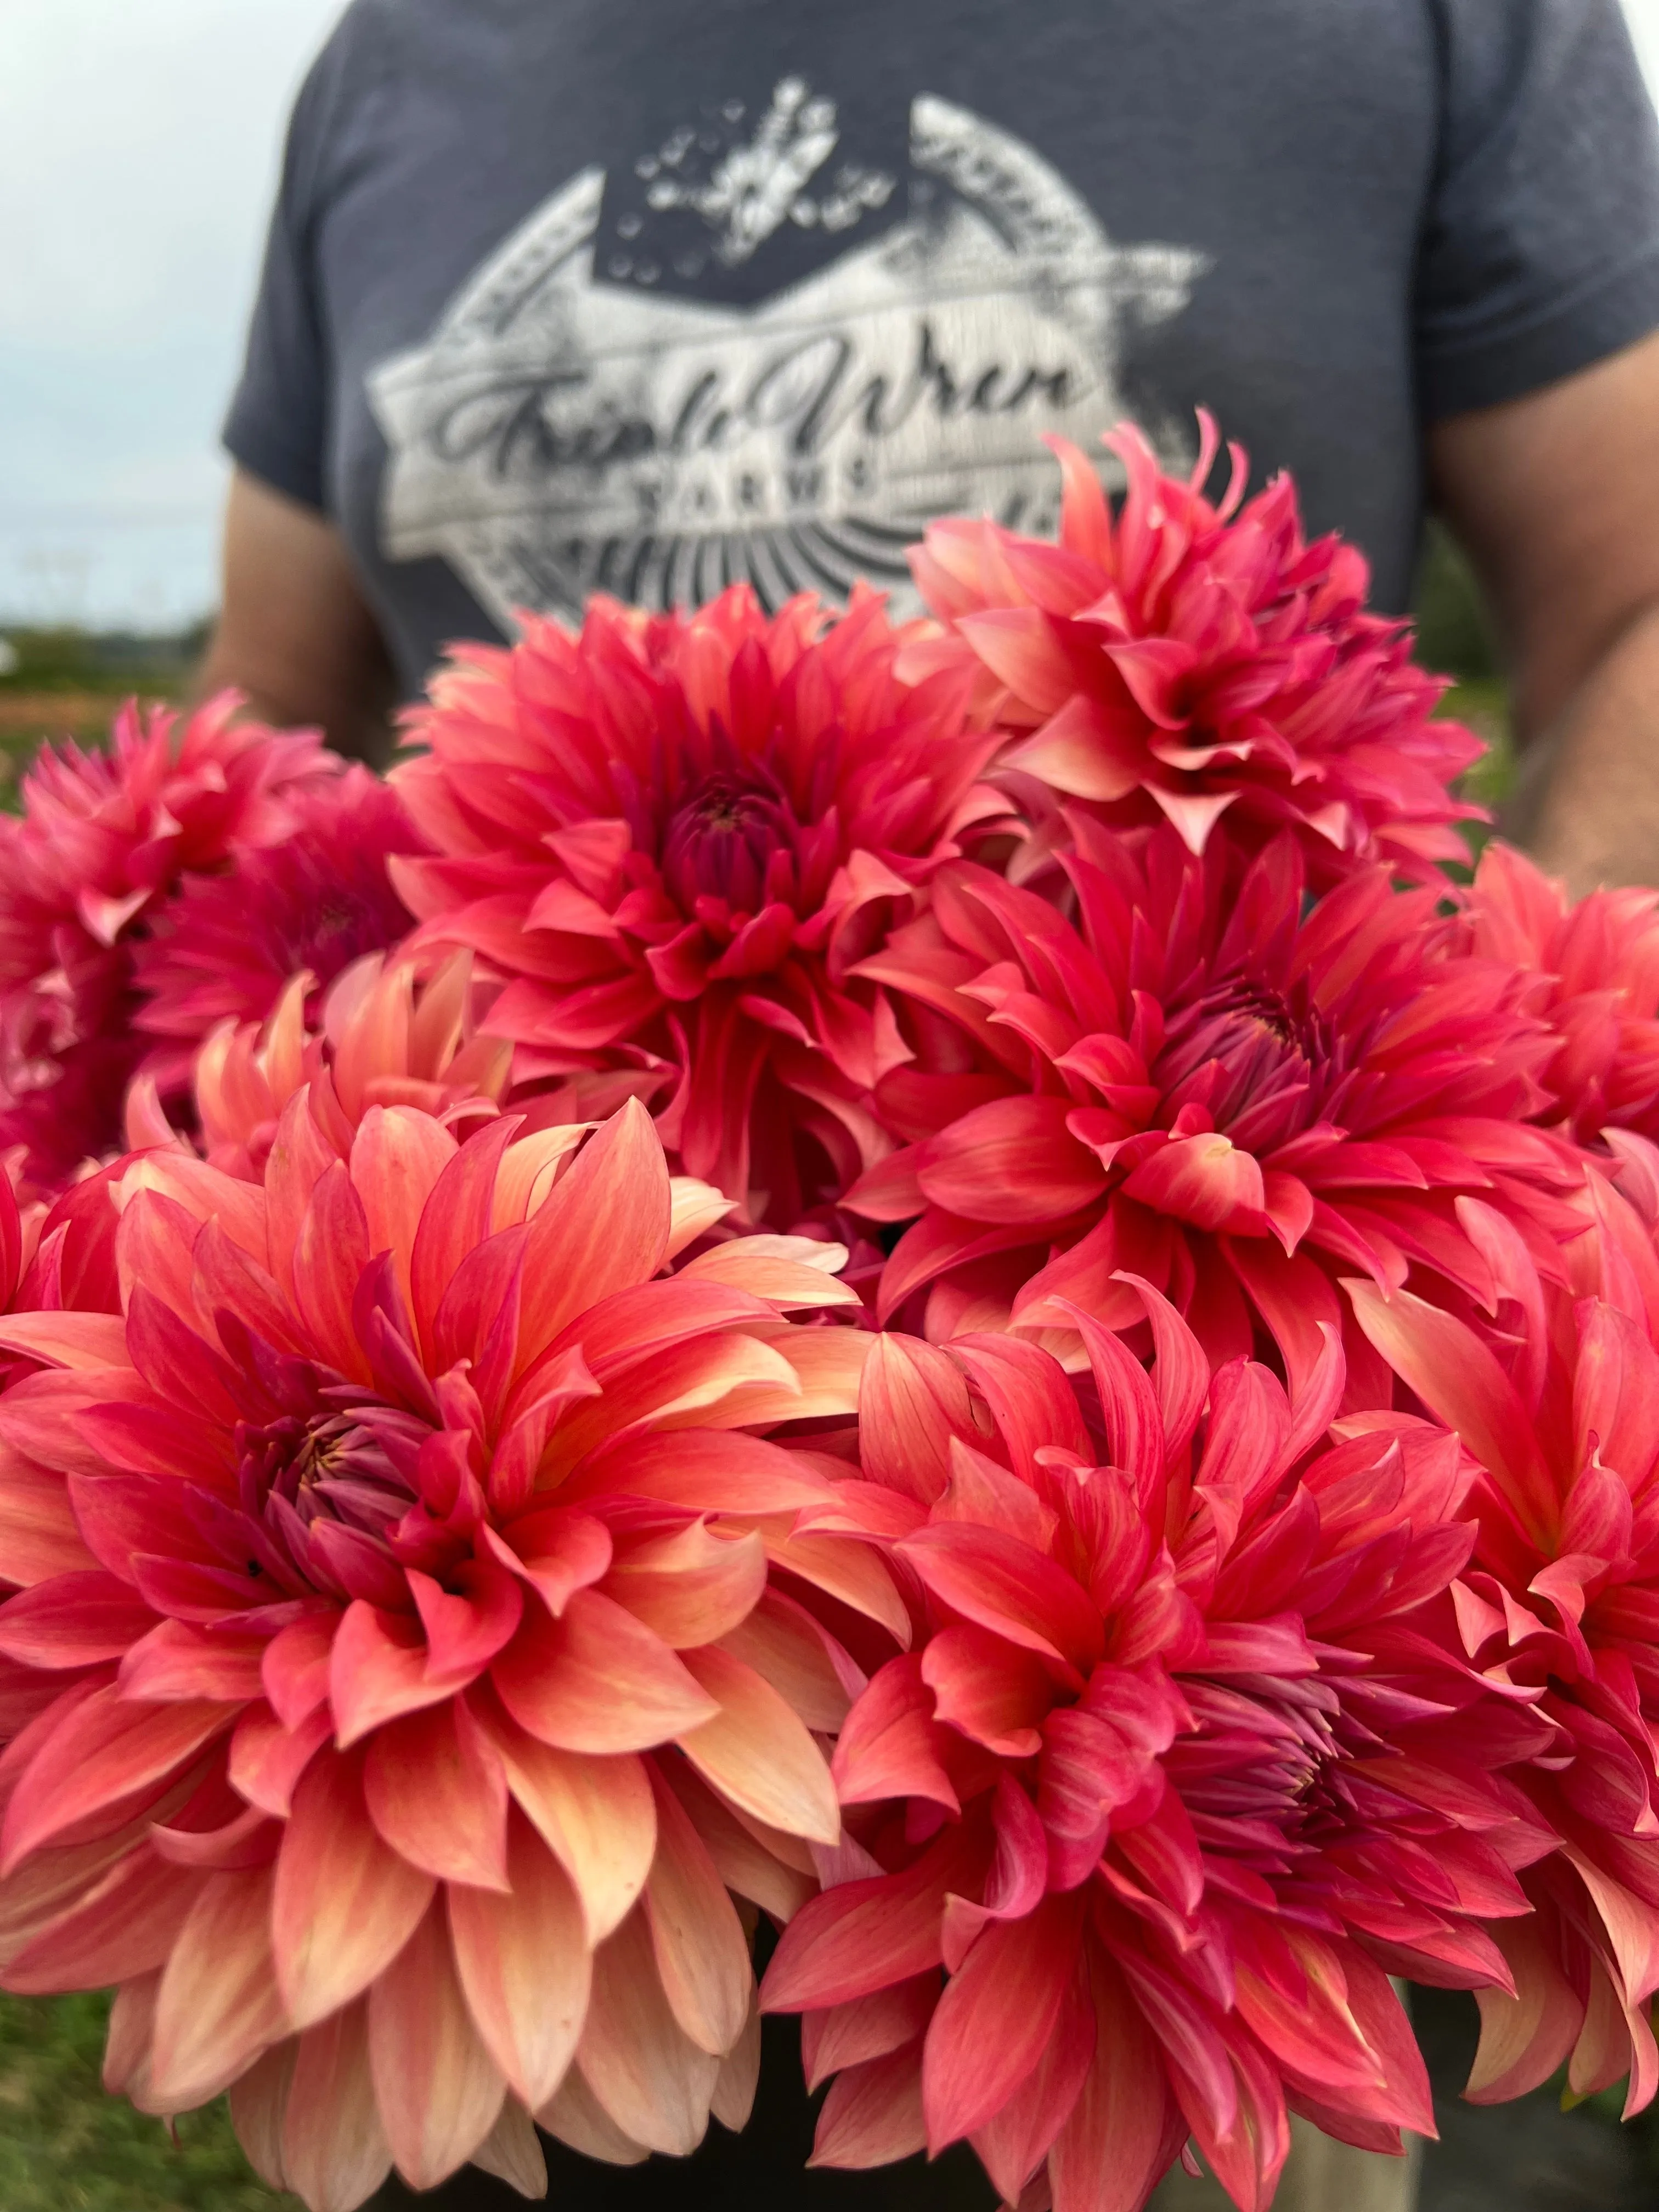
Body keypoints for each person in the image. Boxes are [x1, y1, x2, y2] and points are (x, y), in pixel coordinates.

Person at [202, 5, 1659, 2207]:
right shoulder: (392, 63)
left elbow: (1643, 594)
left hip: (1270, 1532)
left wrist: (1552, 1096)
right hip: (547, 1772)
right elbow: (276, 728)